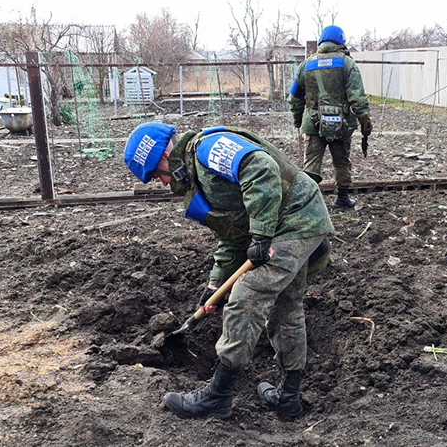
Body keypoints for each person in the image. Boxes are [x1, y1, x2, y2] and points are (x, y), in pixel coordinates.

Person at [124, 123, 334, 420]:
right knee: (286, 307)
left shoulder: (208, 150)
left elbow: (260, 168)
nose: (159, 183)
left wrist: (261, 235)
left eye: (155, 175)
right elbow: (230, 235)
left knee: (246, 295)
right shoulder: (199, 180)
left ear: (162, 157)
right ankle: (288, 397)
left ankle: (218, 395)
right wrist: (214, 285)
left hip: (296, 219)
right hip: (285, 226)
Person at [289, 25, 373, 208]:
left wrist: (298, 119)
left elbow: (294, 97)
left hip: (312, 123)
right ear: (341, 41)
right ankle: (342, 199)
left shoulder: (306, 65)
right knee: (341, 161)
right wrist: (364, 121)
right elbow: (357, 97)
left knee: (311, 163)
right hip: (340, 125)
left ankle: (307, 204)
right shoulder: (347, 63)